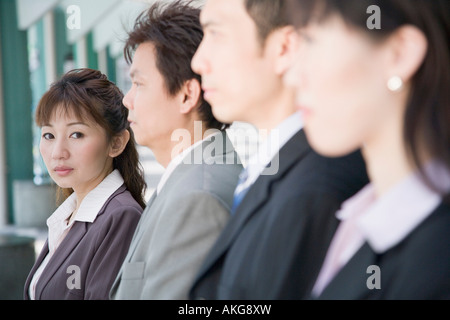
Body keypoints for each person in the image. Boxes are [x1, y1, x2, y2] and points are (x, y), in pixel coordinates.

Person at [188, 0, 369, 300]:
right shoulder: (281, 170)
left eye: (216, 34)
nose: (198, 62)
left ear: (284, 48)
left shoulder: (316, 190)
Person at [284, 0, 450, 299]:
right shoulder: (361, 219)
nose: (292, 76)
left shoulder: (435, 263)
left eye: (310, 40)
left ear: (399, 54)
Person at [109, 0, 242, 300]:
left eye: (138, 84)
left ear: (186, 95)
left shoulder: (196, 198)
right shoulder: (189, 179)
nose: (127, 100)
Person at [23, 68, 147, 300]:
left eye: (76, 134)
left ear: (117, 143)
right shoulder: (69, 214)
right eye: (49, 135)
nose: (58, 153)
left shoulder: (120, 217)